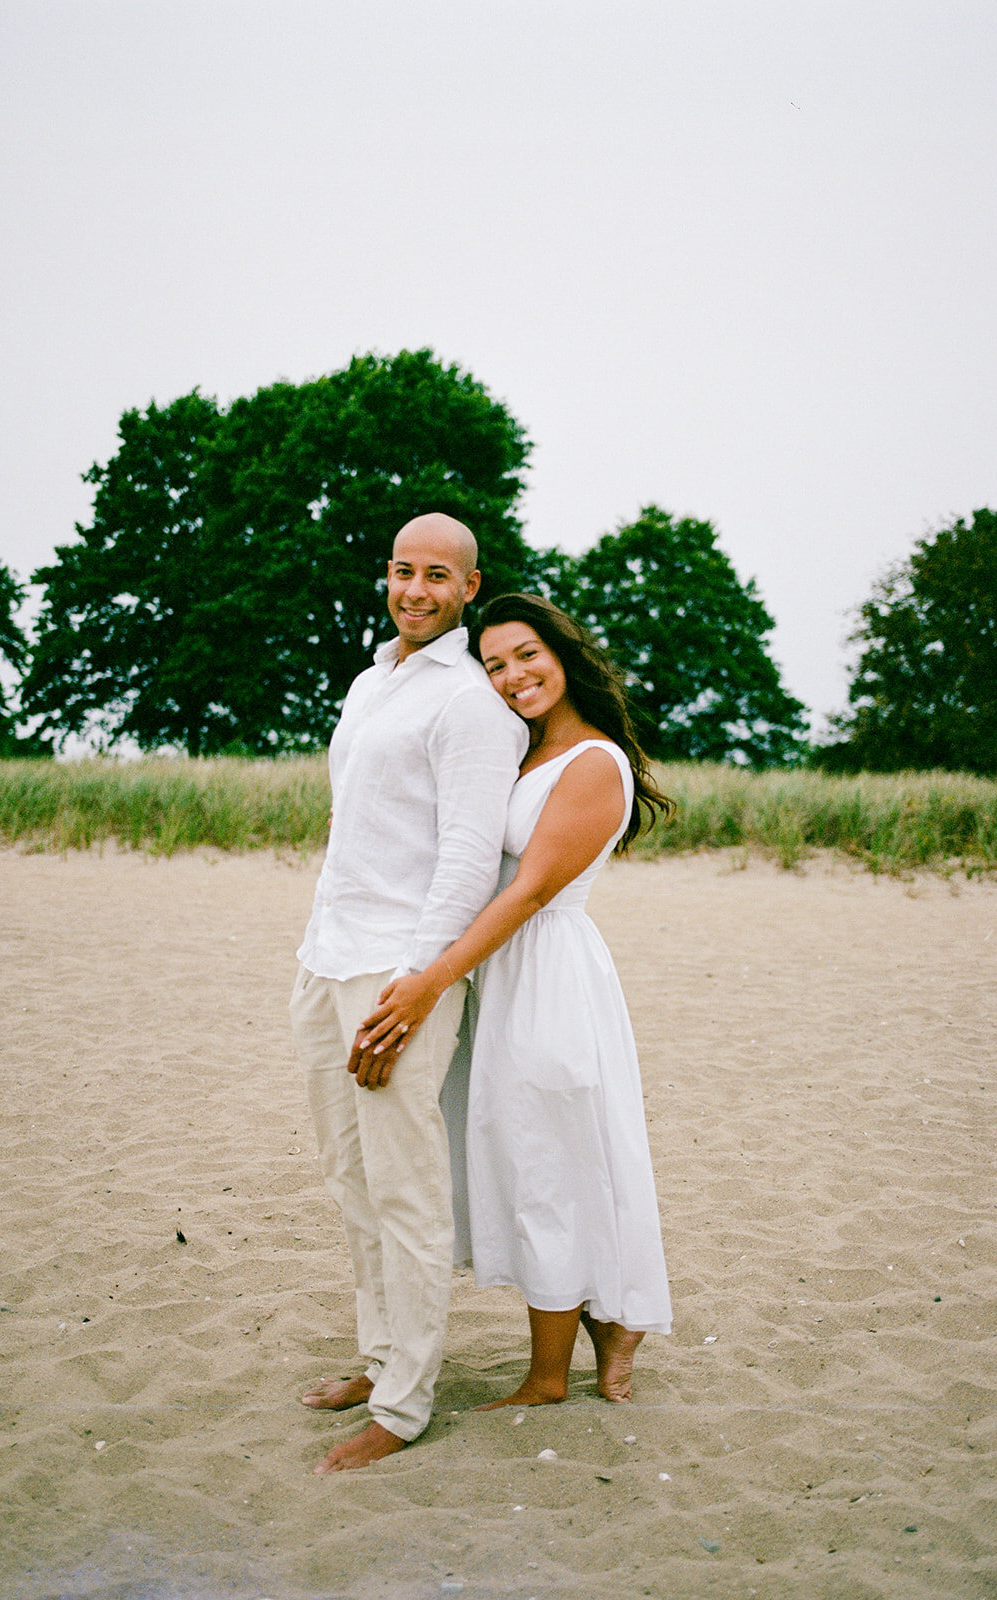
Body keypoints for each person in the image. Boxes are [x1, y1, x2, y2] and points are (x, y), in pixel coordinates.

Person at [352, 592, 673, 1408]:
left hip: (550, 977)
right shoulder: (527, 756)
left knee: (550, 1164)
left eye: (526, 654)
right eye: (493, 664)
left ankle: (547, 1377)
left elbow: (528, 892)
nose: (512, 675)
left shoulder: (592, 763)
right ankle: (604, 1325)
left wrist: (426, 983)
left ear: (564, 656)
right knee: (522, 1157)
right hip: (503, 974)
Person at [291, 515, 527, 1473]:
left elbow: (471, 857)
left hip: (399, 972)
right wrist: (318, 952)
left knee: (406, 1185)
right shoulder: (368, 682)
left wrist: (421, 985)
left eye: (438, 576)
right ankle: (380, 1355)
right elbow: (355, 823)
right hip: (326, 956)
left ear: (470, 588)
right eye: (402, 571)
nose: (416, 590)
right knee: (350, 1178)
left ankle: (406, 1401)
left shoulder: (470, 703)